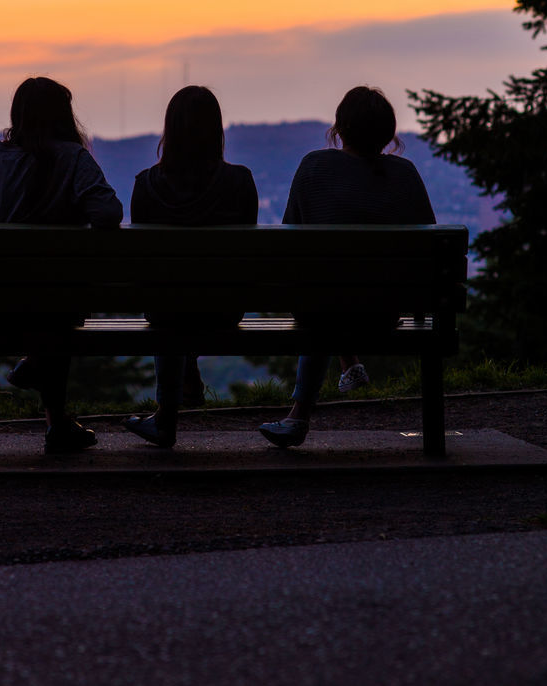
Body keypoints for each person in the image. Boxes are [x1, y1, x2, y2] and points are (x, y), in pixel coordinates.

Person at [259, 85, 436, 448]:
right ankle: (348, 366)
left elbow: (289, 240)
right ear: (388, 133)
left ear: (339, 129)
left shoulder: (314, 166)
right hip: (381, 313)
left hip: (320, 310)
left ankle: (299, 416)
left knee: (326, 294)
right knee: (337, 291)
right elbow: (429, 247)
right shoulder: (405, 174)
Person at [0, 76, 123, 453]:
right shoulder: (71, 158)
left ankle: (56, 416)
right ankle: (54, 414)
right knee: (57, 303)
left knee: (53, 300)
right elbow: (108, 213)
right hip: (54, 302)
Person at [125, 85, 259, 448]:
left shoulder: (145, 185)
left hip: (165, 309)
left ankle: (166, 417)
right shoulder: (240, 181)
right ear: (216, 129)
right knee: (188, 294)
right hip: (223, 309)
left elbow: (143, 265)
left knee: (169, 298)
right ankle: (186, 371)